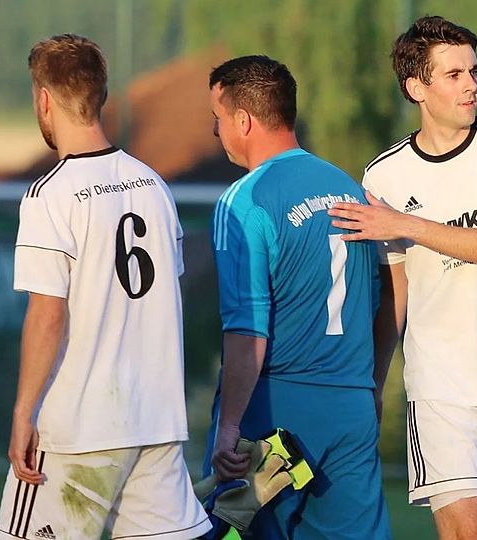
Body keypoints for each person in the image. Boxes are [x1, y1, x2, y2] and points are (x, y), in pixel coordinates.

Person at [328, 16, 477, 540]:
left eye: (474, 71)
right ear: (417, 87)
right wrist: (372, 382)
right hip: (439, 383)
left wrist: (404, 223)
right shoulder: (383, 176)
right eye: (453, 74)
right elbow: (396, 289)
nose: (471, 84)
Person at [0, 34, 210, 540]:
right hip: (155, 422)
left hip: (79, 430)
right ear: (101, 97)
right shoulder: (153, 186)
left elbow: (48, 314)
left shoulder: (51, 194)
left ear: (43, 99)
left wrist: (24, 411)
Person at [204, 54, 391, 539]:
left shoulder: (244, 200)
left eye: (218, 119)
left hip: (276, 414)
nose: (216, 132)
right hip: (351, 407)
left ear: (243, 121)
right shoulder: (349, 190)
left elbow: (247, 330)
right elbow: (394, 285)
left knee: (228, 533)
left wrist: (229, 428)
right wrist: (371, 383)